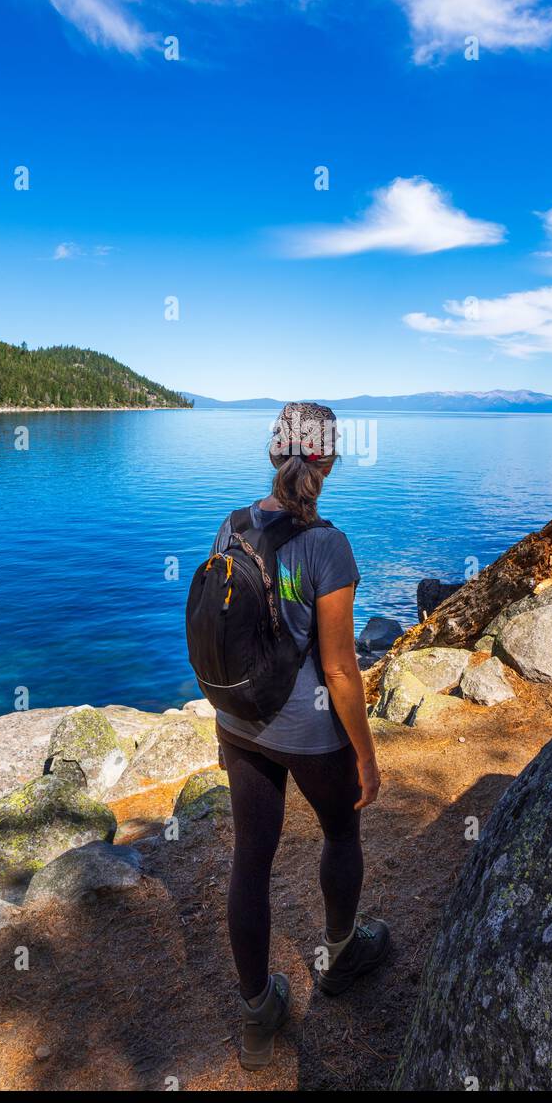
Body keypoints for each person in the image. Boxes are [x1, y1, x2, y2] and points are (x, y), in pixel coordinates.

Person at [209, 402, 390, 1069]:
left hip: (239, 721)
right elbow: (341, 668)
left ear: (272, 451)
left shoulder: (229, 527)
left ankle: (258, 1012)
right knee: (341, 832)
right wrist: (366, 760)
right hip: (307, 728)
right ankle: (342, 955)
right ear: (330, 458)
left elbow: (220, 633)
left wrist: (223, 724)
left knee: (250, 857)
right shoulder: (328, 545)